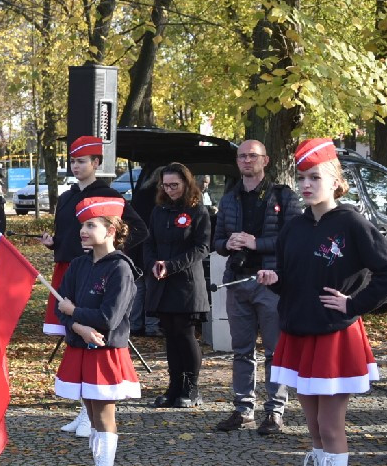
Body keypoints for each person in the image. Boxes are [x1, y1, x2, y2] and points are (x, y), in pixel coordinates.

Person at [257, 138, 387, 466]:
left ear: (336, 182)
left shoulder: (352, 223)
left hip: (335, 336)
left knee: (331, 426)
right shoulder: (294, 225)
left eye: (315, 177)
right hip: (298, 333)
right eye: (301, 177)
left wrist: (355, 303)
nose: (306, 184)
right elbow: (291, 277)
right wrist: (275, 280)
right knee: (313, 426)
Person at [39, 136, 147, 437]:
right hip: (74, 271)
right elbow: (69, 236)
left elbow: (139, 229)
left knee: (91, 337)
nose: (76, 166)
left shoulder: (110, 196)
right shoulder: (68, 196)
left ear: (96, 163)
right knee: (72, 335)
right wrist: (56, 244)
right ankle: (85, 411)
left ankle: (92, 418)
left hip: (101, 277)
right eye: (72, 161)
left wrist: (112, 255)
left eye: (82, 161)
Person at [55, 196, 140, 466]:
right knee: (91, 416)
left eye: (91, 225)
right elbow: (58, 308)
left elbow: (109, 318)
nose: (83, 231)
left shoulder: (120, 269)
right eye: (82, 225)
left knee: (104, 417)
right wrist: (78, 327)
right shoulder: (78, 265)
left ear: (112, 229)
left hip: (105, 353)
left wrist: (75, 312)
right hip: (81, 348)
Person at [213, 140, 301, 434]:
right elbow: (217, 242)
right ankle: (243, 409)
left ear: (266, 160)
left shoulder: (284, 196)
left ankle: (275, 411)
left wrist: (255, 243)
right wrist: (228, 243)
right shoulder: (228, 198)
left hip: (271, 283)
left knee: (275, 352)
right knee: (241, 350)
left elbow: (293, 240)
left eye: (253, 156)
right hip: (238, 282)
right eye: (242, 157)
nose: (247, 161)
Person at [145, 162, 211, 408]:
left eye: (175, 185)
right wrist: (153, 263)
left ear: (186, 184)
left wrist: (171, 265)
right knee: (170, 335)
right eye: (166, 185)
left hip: (186, 283)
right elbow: (149, 242)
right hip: (162, 281)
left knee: (185, 334)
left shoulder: (198, 211)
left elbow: (201, 247)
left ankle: (191, 388)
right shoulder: (159, 211)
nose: (170, 190)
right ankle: (173, 387)